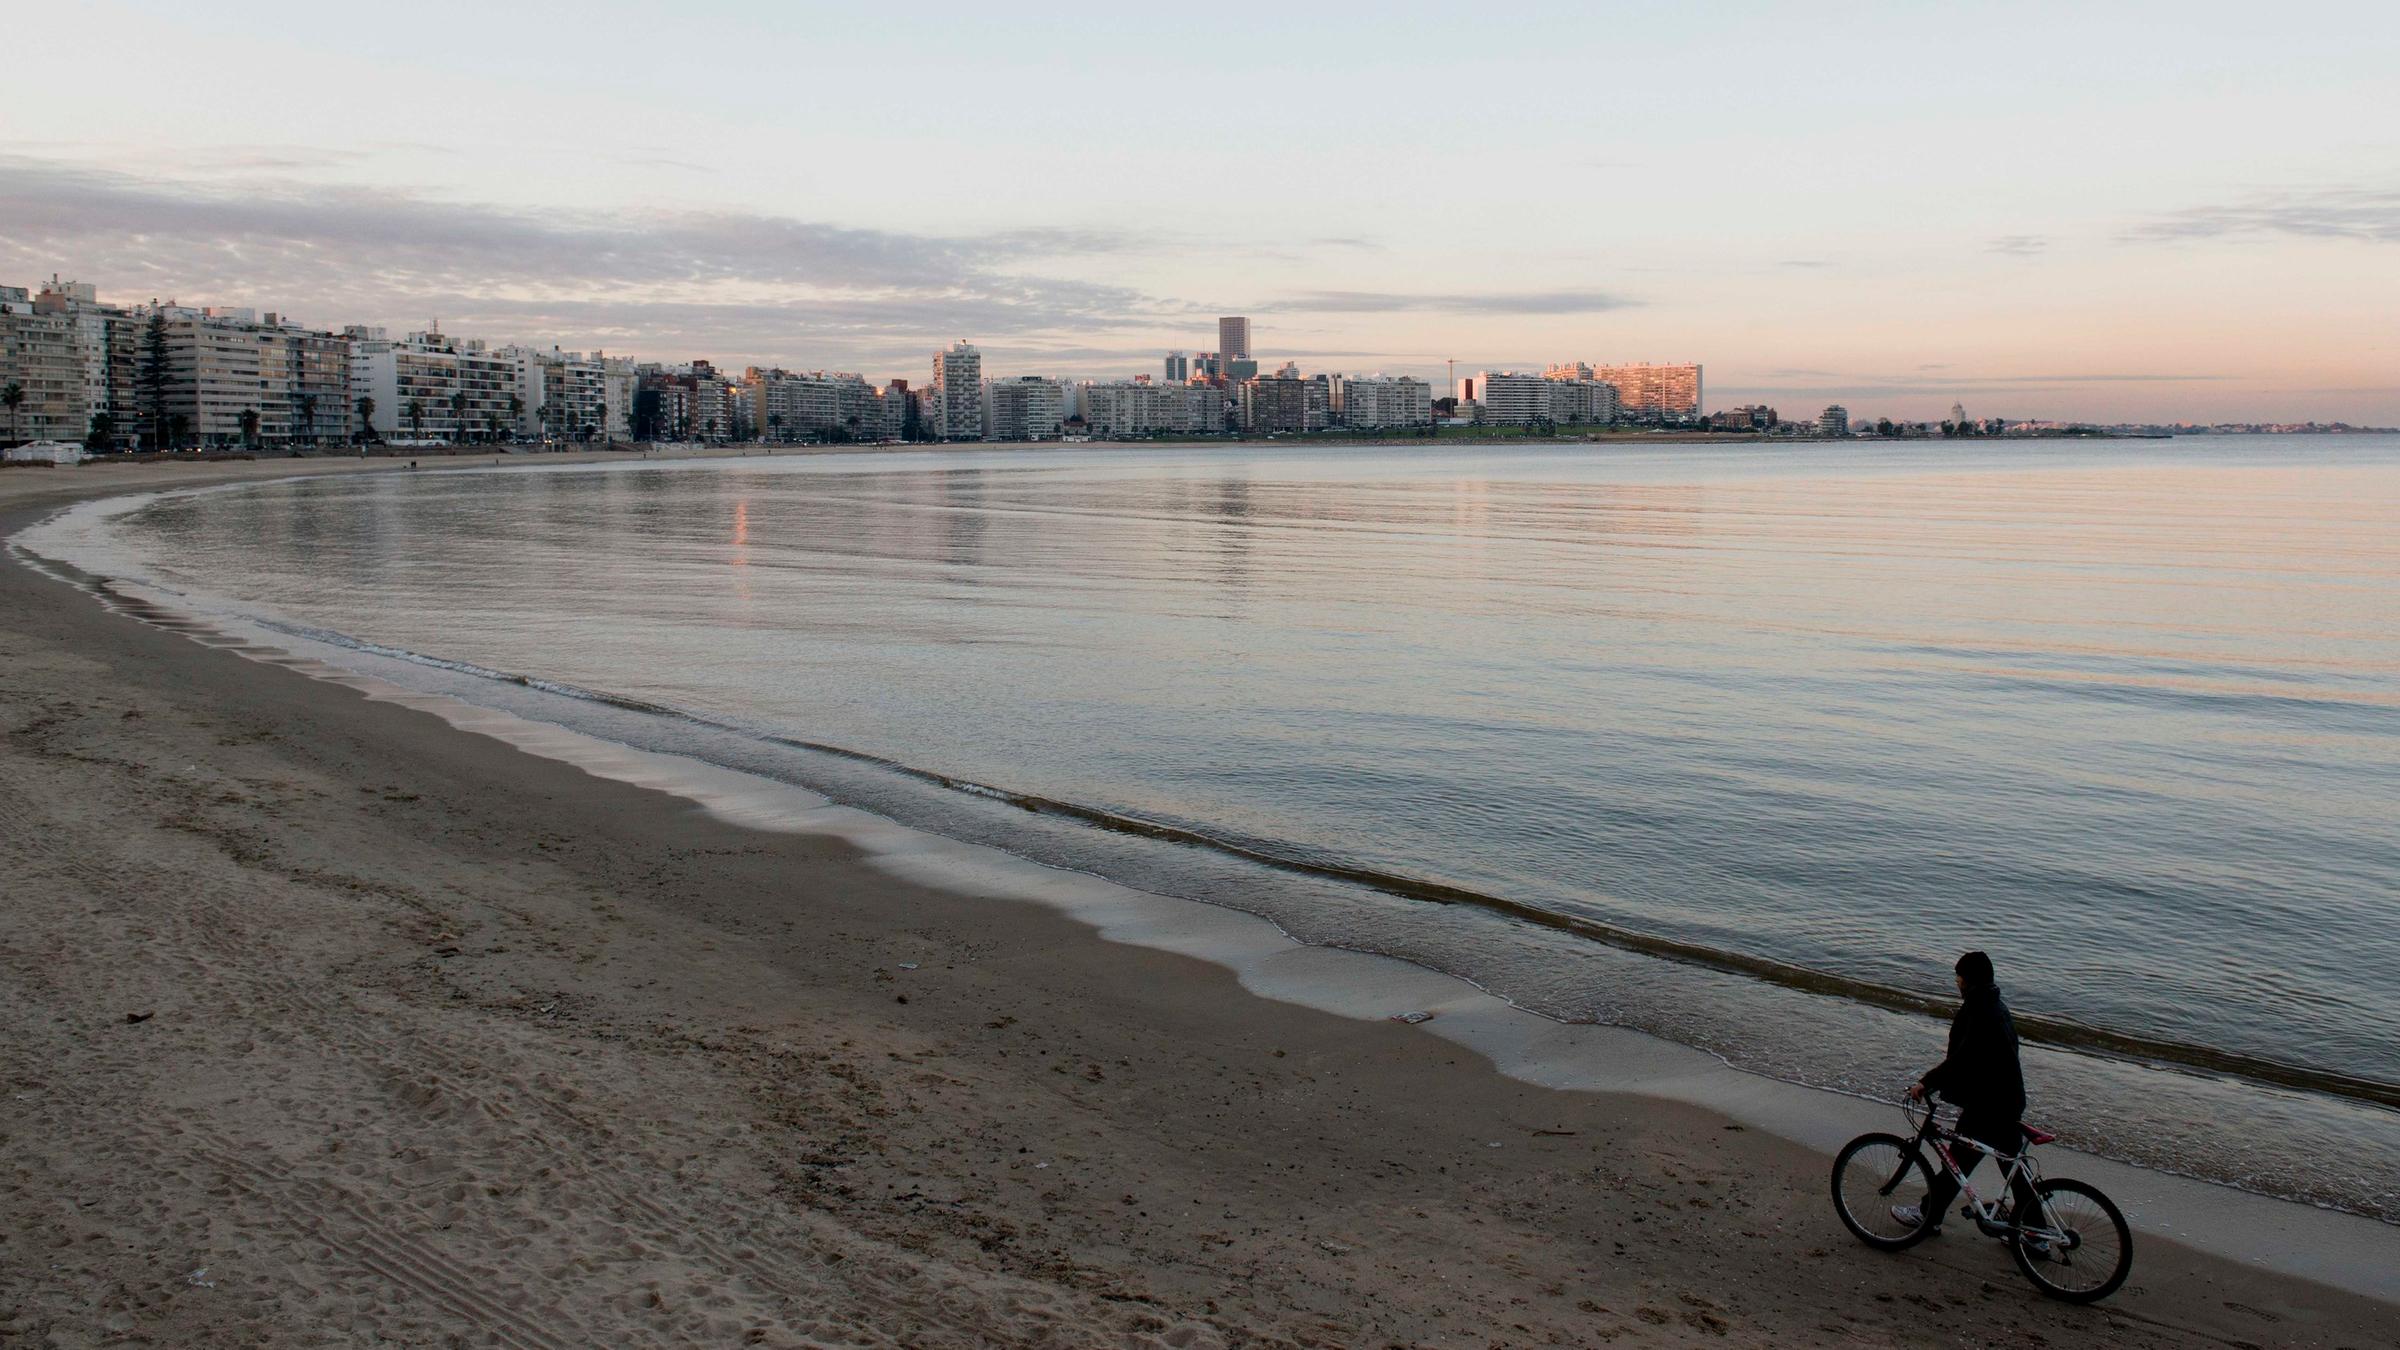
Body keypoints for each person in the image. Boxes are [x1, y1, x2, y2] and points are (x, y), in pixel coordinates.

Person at [1893, 950, 2040, 1232]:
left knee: (1957, 1163)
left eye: (1959, 977)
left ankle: (1927, 1215)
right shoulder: (1994, 1005)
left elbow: (1963, 1058)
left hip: (1989, 1105)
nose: (1956, 982)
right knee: (2012, 1169)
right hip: (2006, 1099)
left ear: (1969, 980)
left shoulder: (1981, 1011)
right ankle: (2035, 1232)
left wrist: (1926, 1082)